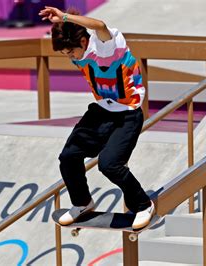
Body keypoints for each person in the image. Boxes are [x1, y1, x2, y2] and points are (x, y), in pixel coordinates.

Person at [39, 6, 155, 229]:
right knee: (69, 156)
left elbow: (100, 26)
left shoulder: (106, 49)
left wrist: (64, 16)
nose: (71, 58)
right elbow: (71, 34)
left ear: (83, 43)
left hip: (127, 114)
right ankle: (82, 202)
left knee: (109, 164)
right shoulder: (78, 51)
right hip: (101, 111)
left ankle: (143, 204)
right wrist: (60, 24)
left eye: (71, 53)